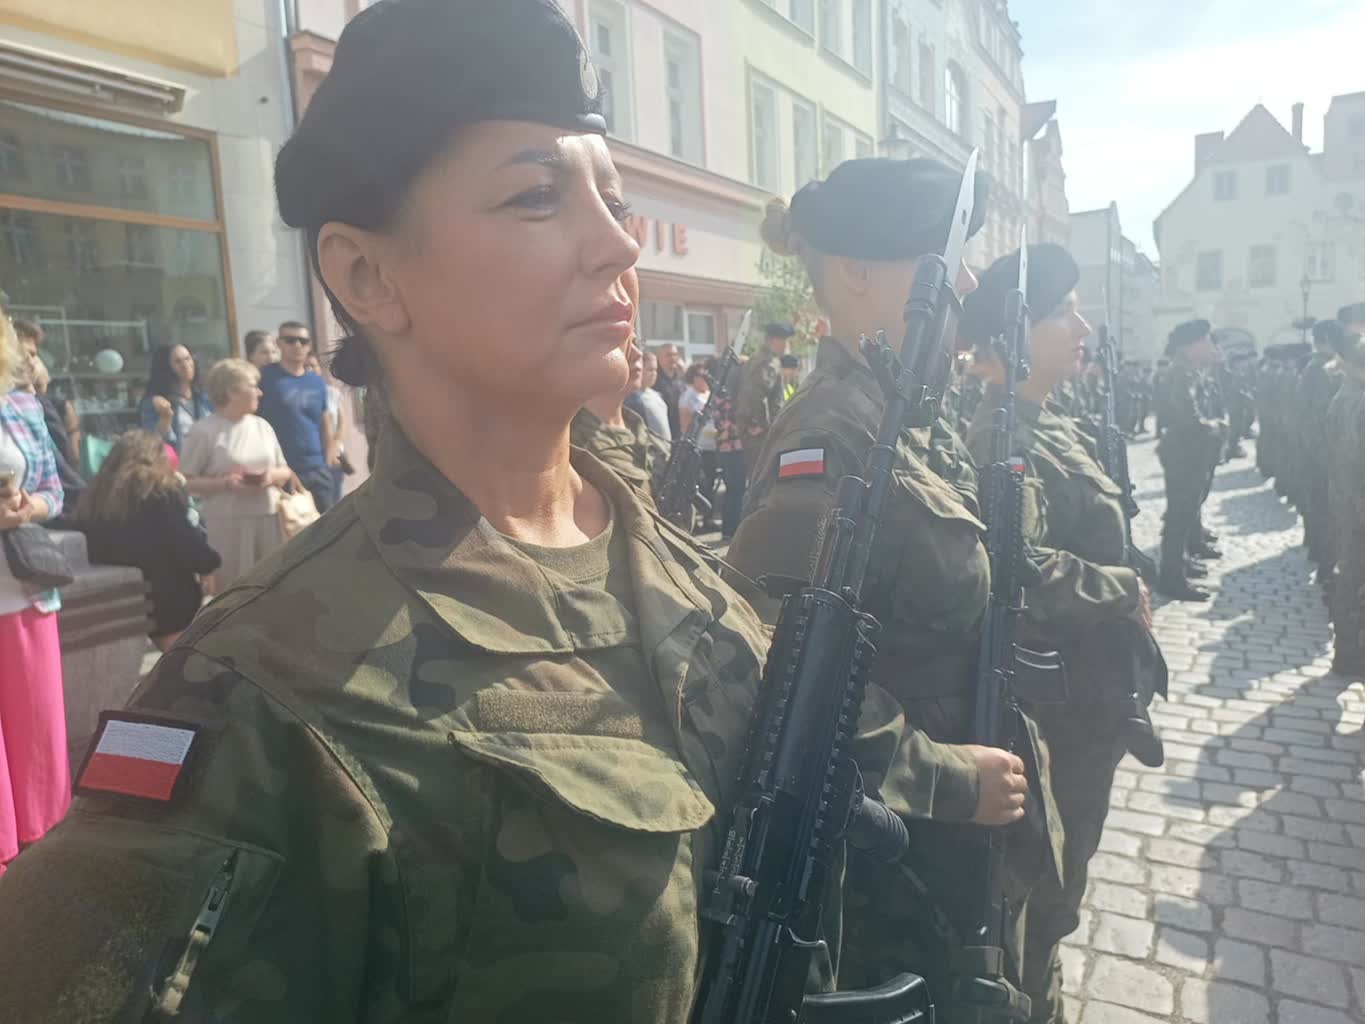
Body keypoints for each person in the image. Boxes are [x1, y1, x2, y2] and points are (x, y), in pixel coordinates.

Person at [0, 4, 881, 1015]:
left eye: (615, 200)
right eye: (536, 196)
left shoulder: (656, 548)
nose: (616, 246)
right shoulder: (261, 689)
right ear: (367, 275)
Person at [726, 158, 1051, 1015]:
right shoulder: (833, 434)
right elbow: (769, 664)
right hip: (891, 858)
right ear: (857, 271)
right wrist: (944, 777)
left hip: (950, 842)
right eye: (941, 255)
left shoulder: (906, 420)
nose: (968, 281)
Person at [962, 245, 1167, 1022]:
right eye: (1061, 314)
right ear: (1011, 337)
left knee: (1065, 879)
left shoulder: (1053, 425)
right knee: (1043, 892)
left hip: (1092, 699)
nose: (1082, 327)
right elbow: (1016, 564)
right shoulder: (1003, 436)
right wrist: (1122, 587)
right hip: (1056, 711)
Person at [0, 312, 67, 877]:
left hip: (22, 591)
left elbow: (54, 490)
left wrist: (27, 508)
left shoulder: (20, 406)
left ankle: (45, 861)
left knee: (40, 738)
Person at [77, 431, 221, 651]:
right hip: (165, 597)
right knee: (180, 657)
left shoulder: (95, 495)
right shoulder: (161, 491)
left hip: (115, 600)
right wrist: (208, 565)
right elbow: (184, 539)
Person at [180, 359, 293, 590]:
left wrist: (270, 477)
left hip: (268, 517)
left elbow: (285, 470)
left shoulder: (262, 426)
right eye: (253, 386)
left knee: (272, 588)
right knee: (234, 588)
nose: (260, 393)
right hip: (229, 523)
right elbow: (185, 481)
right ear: (231, 391)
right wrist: (225, 483)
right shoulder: (204, 431)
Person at [1154, 319, 1226, 601]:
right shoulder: (1181, 375)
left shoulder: (1190, 372)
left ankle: (1180, 562)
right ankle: (1171, 577)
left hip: (1191, 452)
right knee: (1179, 516)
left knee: (1187, 512)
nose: (1209, 346)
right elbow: (1189, 419)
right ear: (1189, 347)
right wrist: (1216, 427)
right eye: (1204, 341)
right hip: (1183, 453)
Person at [257, 321, 340, 513]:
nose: (297, 345)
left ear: (309, 345)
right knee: (291, 528)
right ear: (279, 343)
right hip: (283, 471)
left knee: (327, 527)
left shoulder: (316, 382)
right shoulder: (264, 378)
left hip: (317, 470)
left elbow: (325, 424)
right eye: (290, 340)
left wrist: (326, 464)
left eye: (303, 341)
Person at [570, 339, 667, 496]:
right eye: (620, 343)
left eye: (636, 343)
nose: (637, 354)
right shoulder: (570, 445)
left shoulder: (641, 431)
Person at [1326, 303, 1365, 676]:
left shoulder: (1344, 395)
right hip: (1358, 501)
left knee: (1350, 574)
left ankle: (1346, 650)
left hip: (1346, 501)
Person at [11, 320, 84, 516]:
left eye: (34, 355)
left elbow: (55, 486)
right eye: (27, 353)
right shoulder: (28, 408)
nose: (32, 362)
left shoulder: (33, 407)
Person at [1293, 319, 1345, 578]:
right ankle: (1327, 568)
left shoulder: (1315, 367)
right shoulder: (1321, 370)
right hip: (1322, 452)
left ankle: (1318, 551)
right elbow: (1321, 415)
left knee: (1319, 507)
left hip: (1315, 450)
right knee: (1327, 511)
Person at [735, 321, 793, 477]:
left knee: (756, 476)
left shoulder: (755, 360)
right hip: (761, 435)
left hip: (750, 432)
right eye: (785, 341)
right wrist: (759, 424)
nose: (787, 346)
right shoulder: (769, 363)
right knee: (765, 477)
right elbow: (755, 394)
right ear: (774, 341)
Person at [139, 343, 213, 454]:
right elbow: (153, 444)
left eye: (187, 359)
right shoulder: (154, 403)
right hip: (179, 461)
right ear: (166, 367)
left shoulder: (205, 398)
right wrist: (165, 418)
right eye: (178, 362)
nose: (186, 365)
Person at [677, 360, 718, 528]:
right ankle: (697, 520)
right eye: (701, 375)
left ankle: (708, 519)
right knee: (700, 483)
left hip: (712, 446)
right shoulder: (688, 396)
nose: (705, 379)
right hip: (698, 448)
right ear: (694, 378)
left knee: (710, 482)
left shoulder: (709, 394)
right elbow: (685, 424)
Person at [307, 350, 355, 481]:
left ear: (319, 368)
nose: (310, 369)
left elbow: (341, 425)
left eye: (313, 365)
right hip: (311, 458)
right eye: (306, 366)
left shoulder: (332, 393)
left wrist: (333, 448)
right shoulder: (298, 397)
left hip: (335, 456)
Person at [622, 348, 671, 440]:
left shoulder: (658, 395)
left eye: (655, 370)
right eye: (650, 370)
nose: (654, 374)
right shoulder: (629, 398)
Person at [650, 340, 685, 436]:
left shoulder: (680, 381)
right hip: (662, 433)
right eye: (668, 355)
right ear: (659, 358)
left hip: (680, 433)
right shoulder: (654, 381)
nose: (673, 358)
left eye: (675, 354)